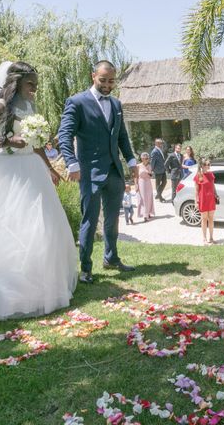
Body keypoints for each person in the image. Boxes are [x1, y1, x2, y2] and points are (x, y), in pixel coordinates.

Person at [0, 61, 77, 328]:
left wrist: (50, 167)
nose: (35, 90)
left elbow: (37, 142)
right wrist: (7, 141)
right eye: (31, 84)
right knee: (1, 230)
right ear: (16, 83)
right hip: (3, 172)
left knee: (38, 229)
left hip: (31, 170)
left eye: (36, 85)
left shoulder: (31, 108)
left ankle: (36, 290)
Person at [58, 60, 137, 284]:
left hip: (114, 172)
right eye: (103, 80)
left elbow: (122, 136)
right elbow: (64, 135)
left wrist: (131, 160)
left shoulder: (116, 104)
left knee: (113, 220)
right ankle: (86, 268)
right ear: (93, 76)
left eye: (111, 81)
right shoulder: (76, 102)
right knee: (89, 222)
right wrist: (71, 163)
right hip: (89, 173)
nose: (107, 85)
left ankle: (111, 258)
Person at [194, 158, 218, 245]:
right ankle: (204, 238)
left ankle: (211, 238)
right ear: (202, 166)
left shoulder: (211, 174)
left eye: (209, 164)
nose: (207, 166)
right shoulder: (198, 176)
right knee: (204, 219)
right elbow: (196, 191)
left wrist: (216, 194)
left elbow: (213, 186)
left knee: (211, 219)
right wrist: (196, 201)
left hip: (211, 199)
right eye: (206, 165)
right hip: (203, 200)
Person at [137, 152, 155, 222]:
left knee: (149, 198)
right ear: (142, 158)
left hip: (148, 182)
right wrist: (136, 184)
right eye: (145, 158)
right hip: (141, 182)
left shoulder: (149, 166)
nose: (146, 159)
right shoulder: (138, 166)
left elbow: (151, 175)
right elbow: (135, 176)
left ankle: (149, 212)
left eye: (147, 158)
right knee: (143, 198)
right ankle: (145, 215)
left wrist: (148, 172)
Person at [150, 138, 168, 202]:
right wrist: (151, 170)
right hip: (158, 170)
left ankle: (158, 194)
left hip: (163, 169)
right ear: (156, 143)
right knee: (158, 184)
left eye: (161, 143)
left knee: (165, 182)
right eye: (160, 143)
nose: (161, 144)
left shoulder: (160, 150)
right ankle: (160, 198)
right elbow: (152, 161)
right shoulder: (154, 151)